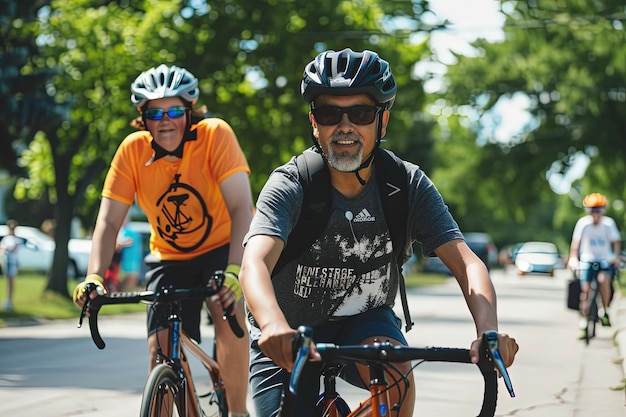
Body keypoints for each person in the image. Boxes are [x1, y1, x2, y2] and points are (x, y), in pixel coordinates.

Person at [239, 48, 519, 417]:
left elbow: (467, 264)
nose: (344, 126)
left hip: (366, 323)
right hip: (288, 332)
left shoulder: (406, 184)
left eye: (360, 113)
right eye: (328, 113)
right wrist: (273, 326)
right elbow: (254, 262)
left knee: (395, 375)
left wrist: (488, 332)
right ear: (314, 123)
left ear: (381, 122)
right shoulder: (292, 183)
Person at [72, 64, 253, 417]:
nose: (165, 120)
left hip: (220, 248)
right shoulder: (132, 150)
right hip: (168, 257)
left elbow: (241, 208)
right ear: (143, 117)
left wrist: (234, 270)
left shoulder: (215, 135)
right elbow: (109, 222)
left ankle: (237, 411)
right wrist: (94, 275)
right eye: (155, 112)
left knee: (227, 313)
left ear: (190, 111)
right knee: (160, 348)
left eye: (174, 111)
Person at [567, 192, 621, 339]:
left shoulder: (608, 224)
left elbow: (615, 242)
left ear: (603, 210)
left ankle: (604, 310)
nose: (595, 213)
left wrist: (615, 257)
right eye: (592, 209)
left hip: (604, 260)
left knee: (604, 280)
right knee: (585, 290)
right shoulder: (583, 224)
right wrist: (573, 258)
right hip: (587, 259)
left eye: (598, 209)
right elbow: (575, 244)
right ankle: (583, 322)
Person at [1, 219, 20, 310]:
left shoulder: (14, 239)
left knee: (11, 282)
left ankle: (9, 300)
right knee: (9, 282)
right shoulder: (8, 239)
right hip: (8, 261)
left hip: (11, 261)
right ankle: (8, 300)